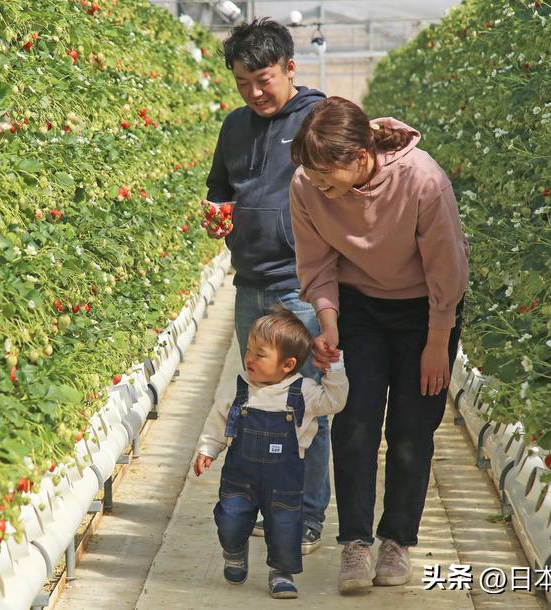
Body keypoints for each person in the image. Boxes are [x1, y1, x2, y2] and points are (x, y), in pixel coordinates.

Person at [287, 96, 470, 594]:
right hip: (359, 306)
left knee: (412, 430)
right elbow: (317, 263)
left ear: (360, 156)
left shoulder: (422, 180)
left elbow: (447, 270)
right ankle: (355, 543)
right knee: (355, 423)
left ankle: (396, 542)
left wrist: (437, 342)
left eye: (328, 175)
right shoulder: (307, 184)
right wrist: (328, 324)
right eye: (312, 174)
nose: (318, 185)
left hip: (425, 312)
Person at [202, 16, 333, 555]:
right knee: (262, 401)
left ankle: (306, 516)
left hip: (302, 287)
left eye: (264, 80)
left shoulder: (317, 121)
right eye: (242, 83)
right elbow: (218, 188)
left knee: (305, 405)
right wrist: (216, 214)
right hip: (250, 283)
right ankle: (274, 506)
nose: (254, 93)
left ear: (290, 69)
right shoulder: (234, 126)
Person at [193, 307, 348, 599]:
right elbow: (218, 422)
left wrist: (334, 369)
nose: (249, 358)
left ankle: (282, 572)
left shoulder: (304, 392)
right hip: (240, 478)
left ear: (288, 364)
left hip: (284, 482)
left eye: (260, 354)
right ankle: (234, 549)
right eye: (249, 350)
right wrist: (207, 450)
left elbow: (335, 400)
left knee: (285, 528)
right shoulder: (238, 389)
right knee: (229, 519)